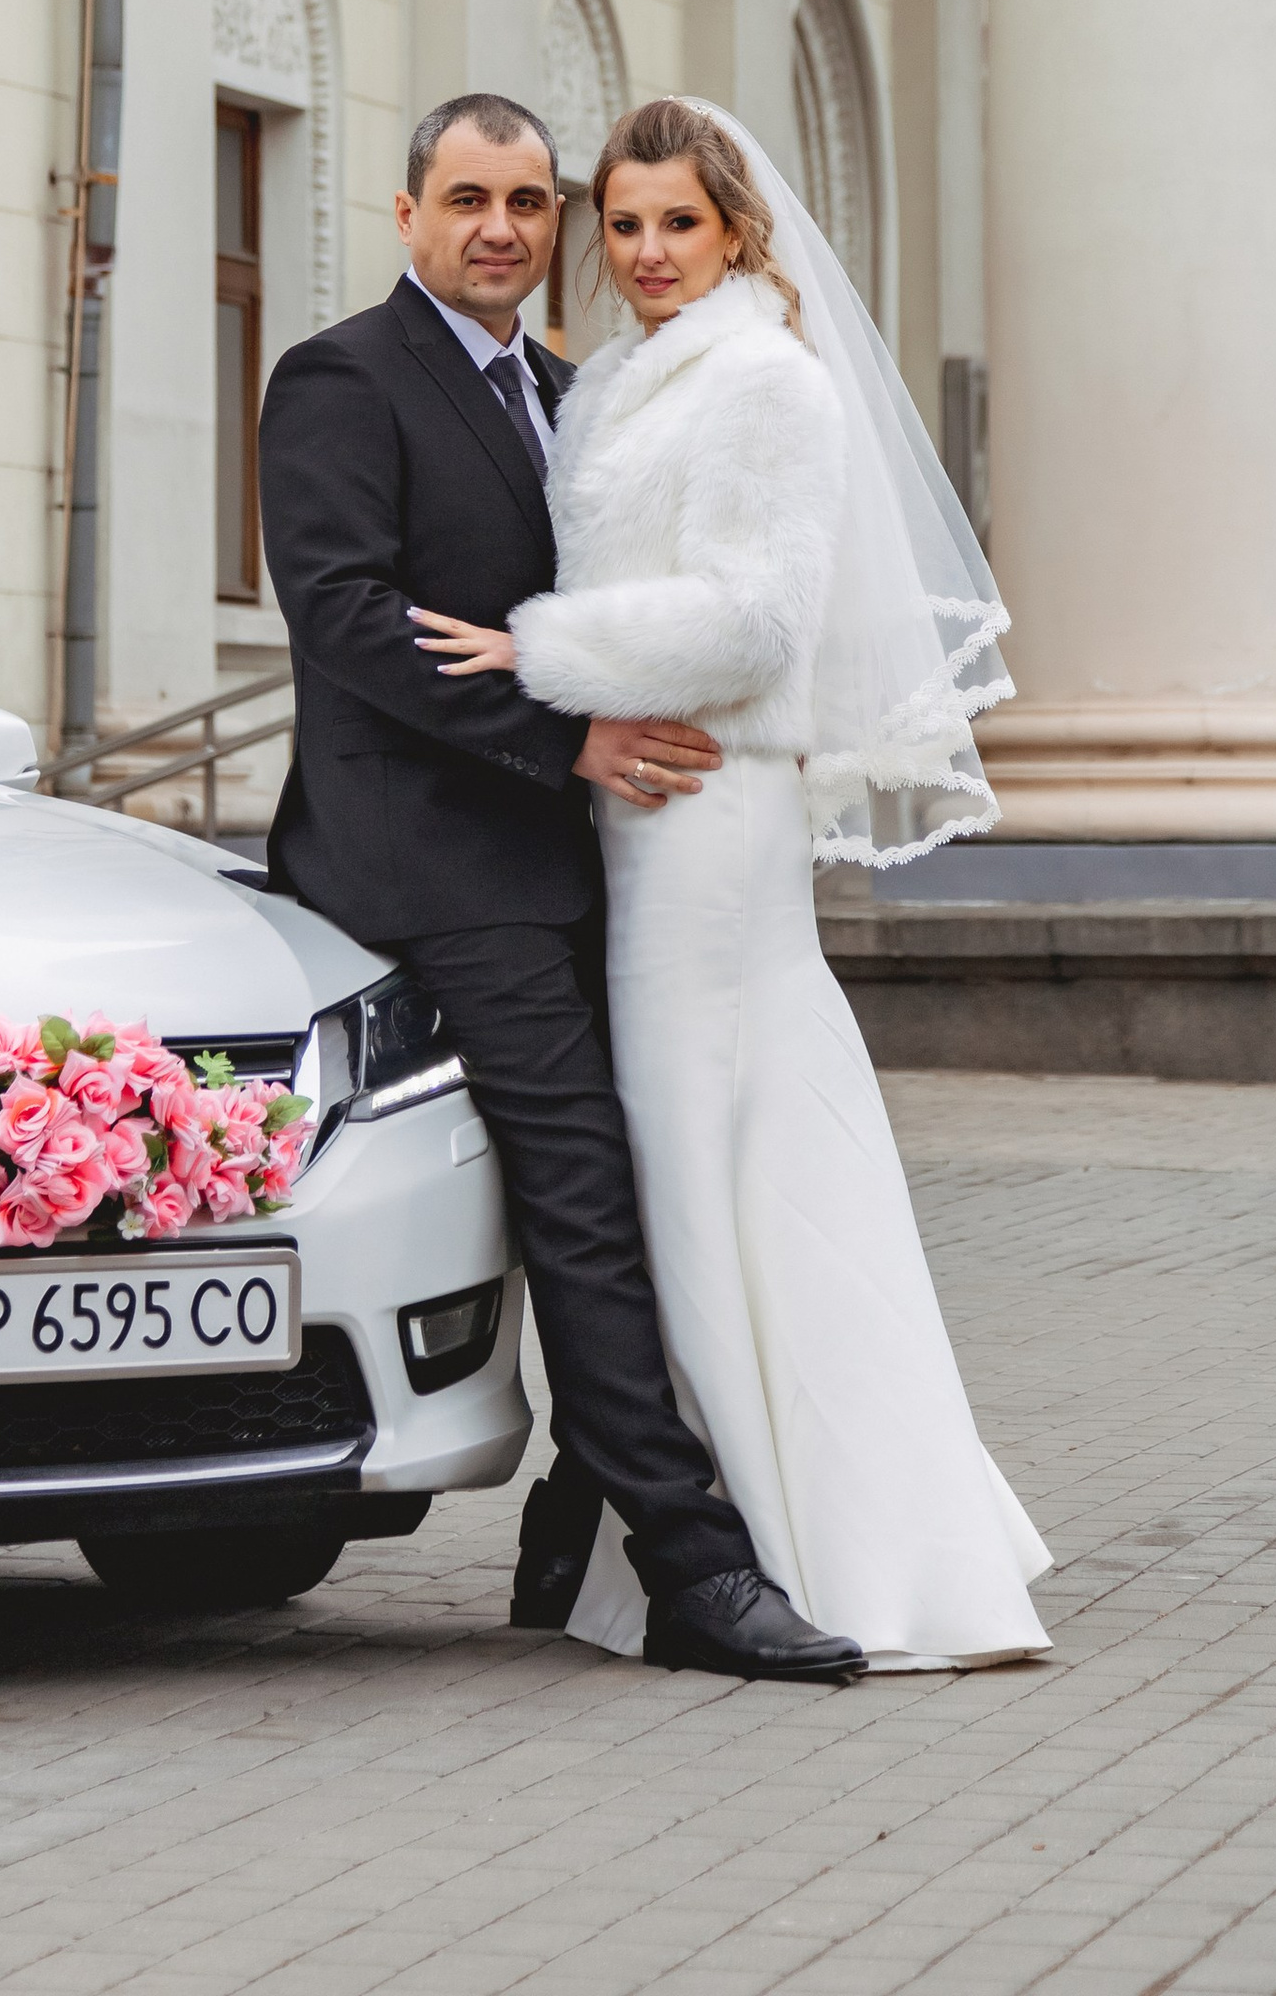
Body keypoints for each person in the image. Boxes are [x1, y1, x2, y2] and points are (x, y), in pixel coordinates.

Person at [413, 96, 1052, 1672]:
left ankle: (811, 1541)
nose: (641, 252)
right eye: (620, 222)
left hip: (706, 812)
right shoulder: (625, 372)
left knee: (703, 1161)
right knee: (695, 1166)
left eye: (674, 224)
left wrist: (539, 657)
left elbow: (757, 621)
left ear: (739, 228)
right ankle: (699, 1529)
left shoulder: (765, 378)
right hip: (635, 811)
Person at [261, 90, 867, 1682]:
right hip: (437, 858)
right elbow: (342, 617)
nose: (501, 229)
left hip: (590, 852)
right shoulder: (339, 376)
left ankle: (576, 1509)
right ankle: (691, 1566)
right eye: (468, 197)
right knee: (590, 1194)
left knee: (651, 1175)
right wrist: (567, 735)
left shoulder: (571, 388)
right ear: (406, 213)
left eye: (531, 203)